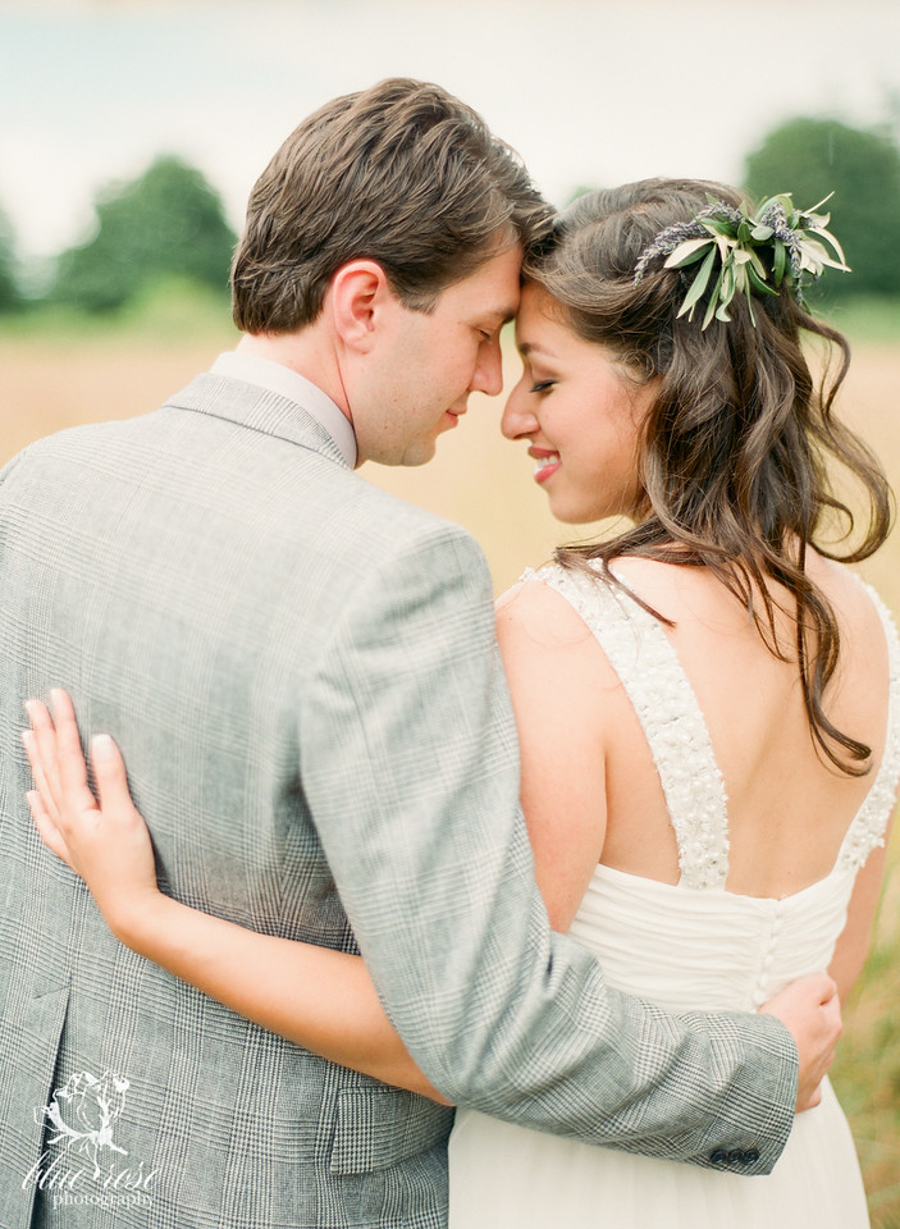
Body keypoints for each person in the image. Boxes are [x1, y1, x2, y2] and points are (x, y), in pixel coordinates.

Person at [2, 76, 836, 1225]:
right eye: (484, 333)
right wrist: (752, 1076)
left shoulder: (37, 486)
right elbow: (482, 1019)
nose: (491, 383)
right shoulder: (396, 572)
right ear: (361, 303)